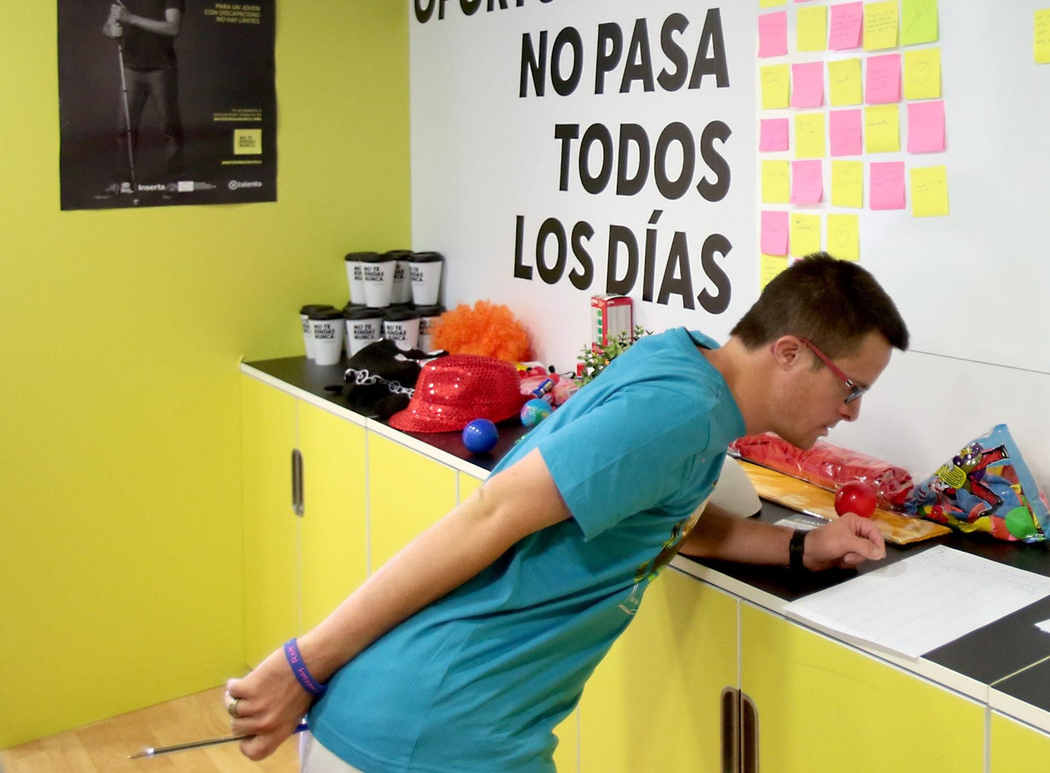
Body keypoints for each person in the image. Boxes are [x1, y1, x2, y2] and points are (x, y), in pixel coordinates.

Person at [226, 253, 909, 772]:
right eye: (850, 388)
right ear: (790, 352)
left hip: (440, 717)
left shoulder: (685, 366)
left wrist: (803, 549)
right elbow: (489, 516)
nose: (850, 412)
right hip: (440, 729)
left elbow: (670, 522)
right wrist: (303, 664)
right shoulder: (682, 414)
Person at [101, 0, 185, 182]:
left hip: (161, 67)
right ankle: (123, 181)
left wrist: (131, 19)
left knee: (170, 128)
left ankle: (175, 181)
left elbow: (173, 28)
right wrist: (111, 30)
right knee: (124, 129)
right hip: (131, 68)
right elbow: (108, 26)